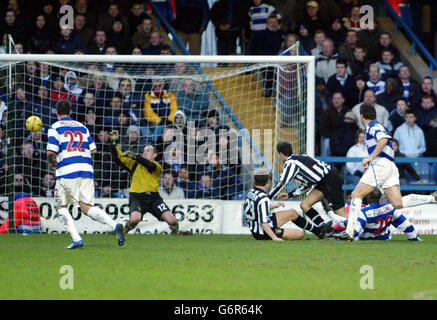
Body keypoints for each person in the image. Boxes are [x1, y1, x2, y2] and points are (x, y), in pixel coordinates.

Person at [47, 100, 125, 249]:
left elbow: (51, 151)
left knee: (60, 206)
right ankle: (114, 225)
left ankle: (76, 239)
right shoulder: (82, 127)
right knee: (87, 207)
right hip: (86, 169)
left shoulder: (55, 127)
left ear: (56, 112)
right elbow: (93, 150)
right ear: (71, 112)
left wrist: (52, 162)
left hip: (67, 170)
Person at [109, 130, 188, 235]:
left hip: (154, 198)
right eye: (144, 150)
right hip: (137, 197)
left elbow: (149, 165)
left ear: (155, 154)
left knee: (172, 221)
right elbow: (117, 159)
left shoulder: (157, 166)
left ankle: (177, 232)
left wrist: (136, 156)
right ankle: (124, 231)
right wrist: (114, 143)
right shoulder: (134, 164)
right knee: (135, 219)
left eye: (148, 150)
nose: (145, 152)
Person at [345, 102, 403, 239]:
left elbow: (383, 139)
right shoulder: (377, 125)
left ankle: (349, 231)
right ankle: (430, 198)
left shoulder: (372, 126)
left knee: (356, 195)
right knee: (397, 203)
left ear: (361, 115)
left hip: (381, 164)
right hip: (389, 165)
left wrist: (370, 157)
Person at [270, 141, 348, 229]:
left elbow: (282, 182)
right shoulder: (302, 157)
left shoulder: (291, 163)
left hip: (330, 180)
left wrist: (268, 197)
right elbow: (308, 185)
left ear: (280, 154)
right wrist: (290, 195)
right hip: (323, 181)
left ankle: (356, 232)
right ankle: (325, 228)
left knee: (341, 213)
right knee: (305, 204)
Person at [244, 168, 331, 241]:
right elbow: (264, 222)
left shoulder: (252, 192)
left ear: (254, 181)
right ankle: (319, 231)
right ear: (268, 182)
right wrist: (274, 238)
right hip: (263, 232)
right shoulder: (263, 198)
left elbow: (256, 210)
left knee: (292, 213)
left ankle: (318, 231)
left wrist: (274, 206)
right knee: (300, 234)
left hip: (255, 228)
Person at [335, 190, 437, 241]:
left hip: (368, 240)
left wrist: (337, 236)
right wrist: (414, 238)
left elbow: (355, 232)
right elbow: (406, 226)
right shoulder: (390, 208)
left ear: (368, 196)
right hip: (385, 239)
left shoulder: (363, 212)